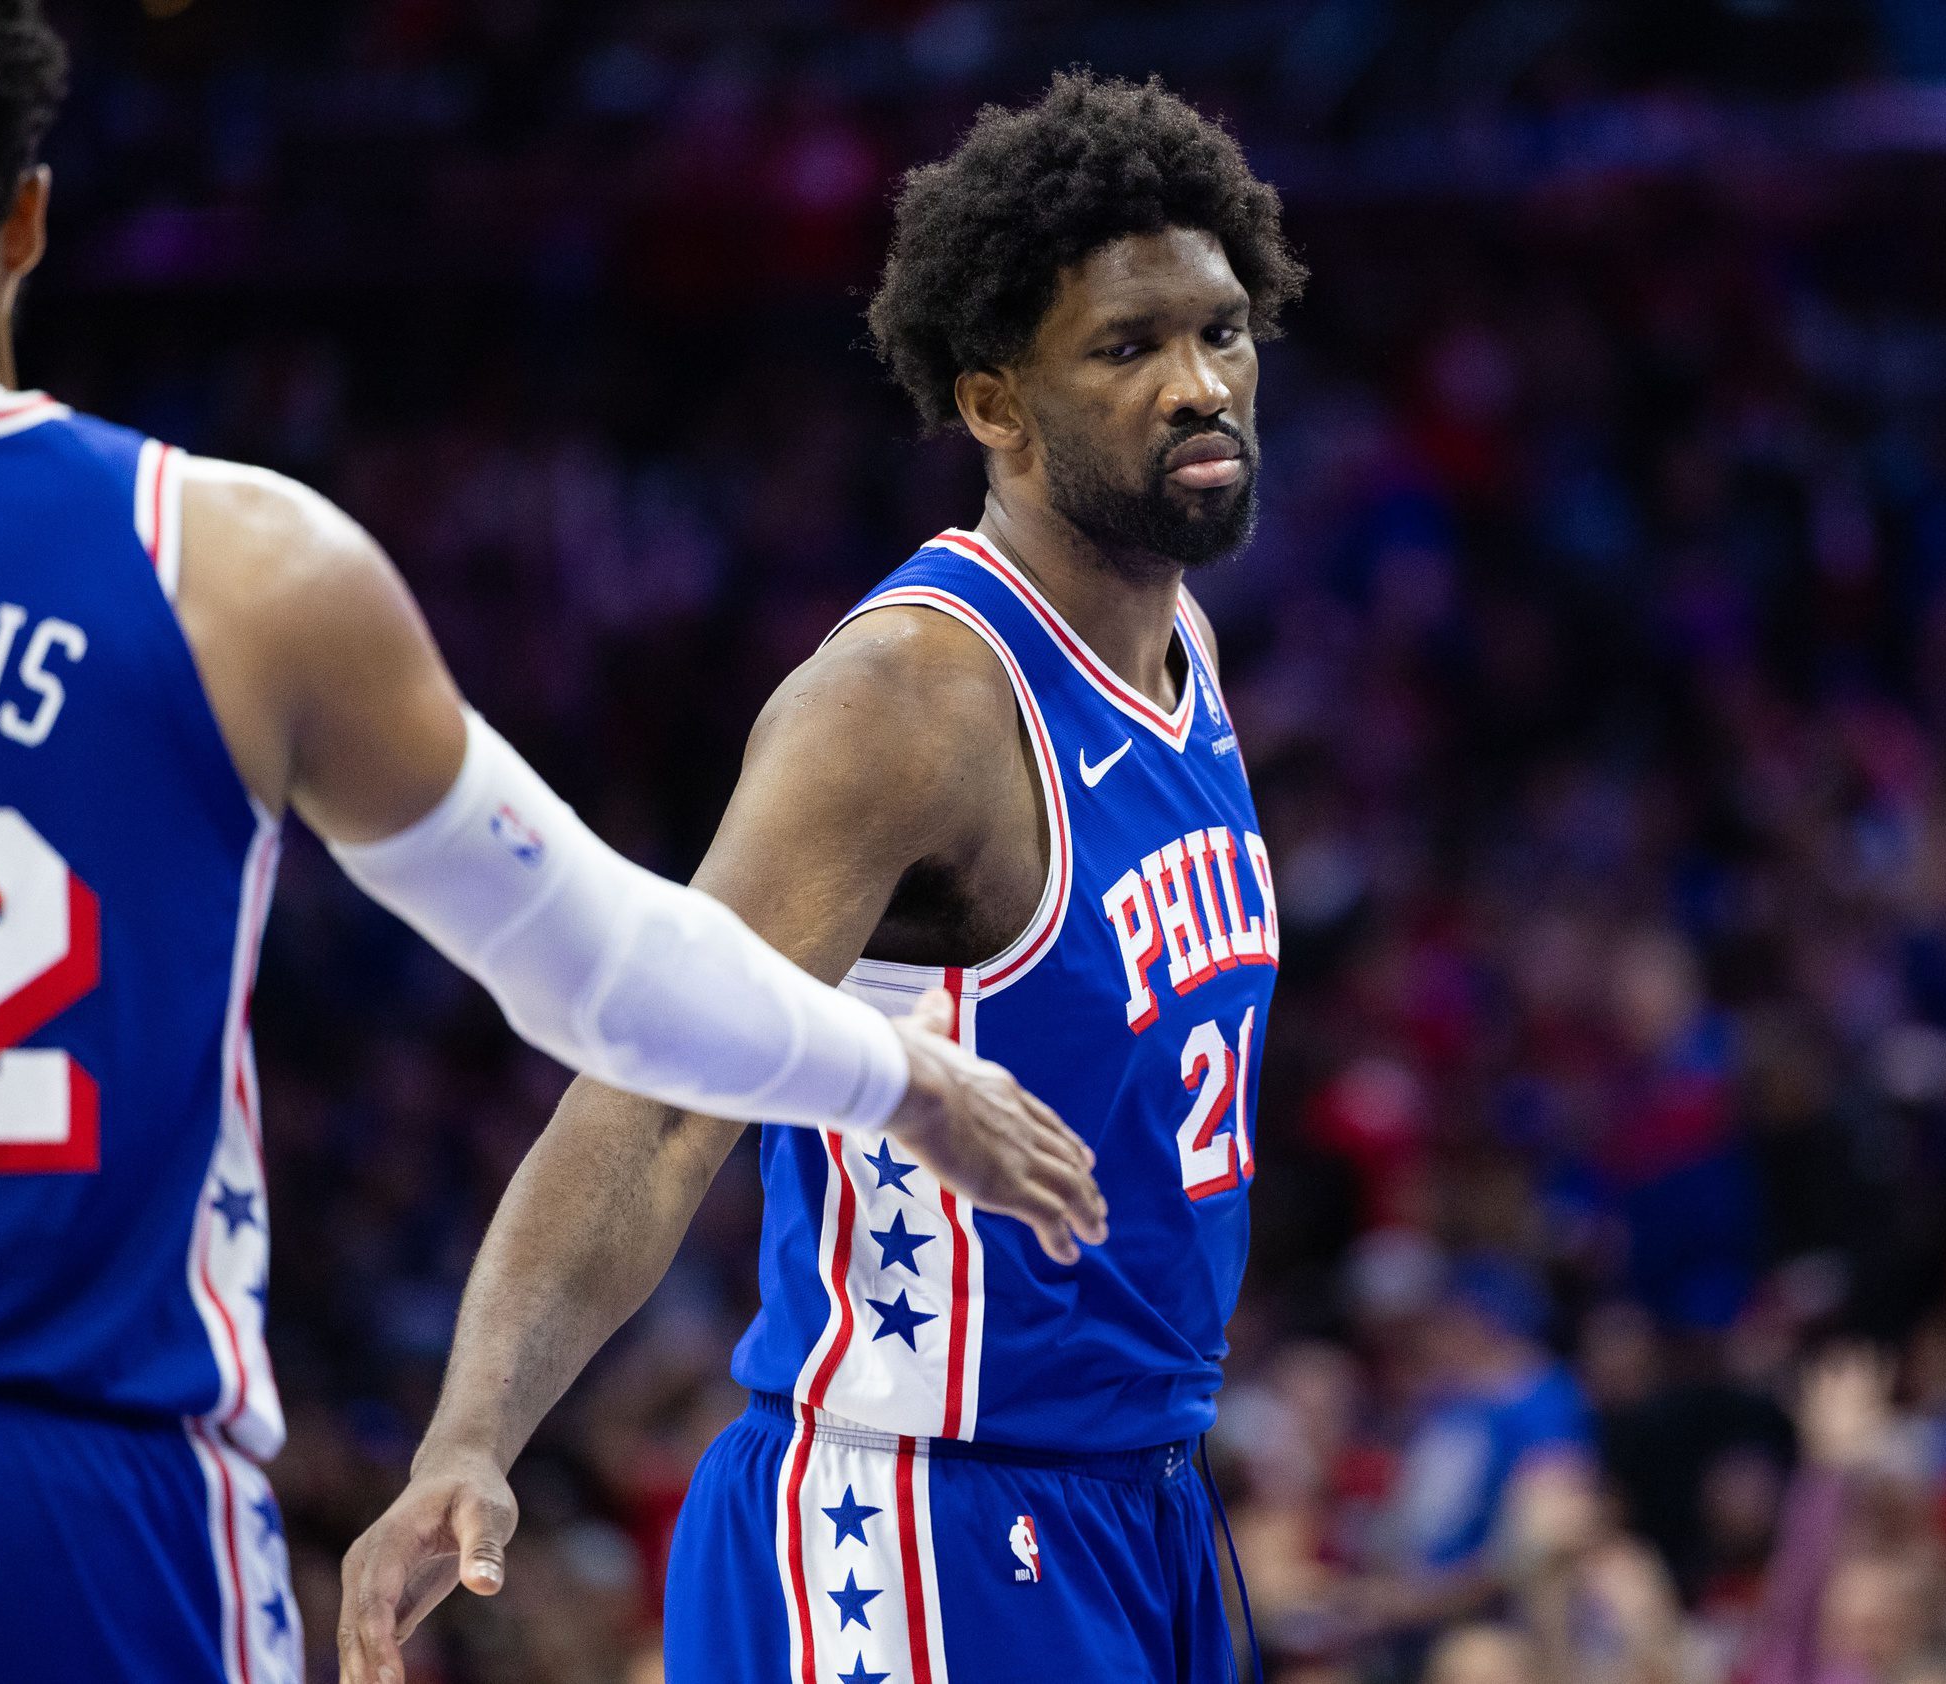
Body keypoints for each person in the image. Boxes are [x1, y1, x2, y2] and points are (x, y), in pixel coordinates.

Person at [0, 5, 1101, 1682]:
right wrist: (904, 1079)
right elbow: (607, 971)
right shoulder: (238, 564)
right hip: (86, 1480)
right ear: (28, 217)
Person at [341, 70, 1306, 1684]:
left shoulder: (1181, 642)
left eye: (1219, 331)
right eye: (1127, 349)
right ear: (994, 404)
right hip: (916, 1523)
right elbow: (653, 1091)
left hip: (1140, 1504)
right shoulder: (909, 702)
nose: (1199, 385)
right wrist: (473, 1435)